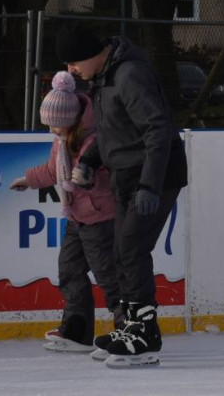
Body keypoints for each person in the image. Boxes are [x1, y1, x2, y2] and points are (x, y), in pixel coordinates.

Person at [55, 22, 188, 366]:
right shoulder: (103, 80)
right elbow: (112, 132)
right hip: (126, 176)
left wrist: (150, 185)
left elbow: (158, 129)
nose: (70, 71)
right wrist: (90, 159)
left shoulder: (128, 75)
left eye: (73, 63)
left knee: (131, 249)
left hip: (154, 176)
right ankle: (132, 325)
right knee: (121, 252)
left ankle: (144, 332)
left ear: (90, 53)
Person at [11, 71, 121, 353]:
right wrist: (28, 180)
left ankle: (128, 327)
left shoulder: (95, 140)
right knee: (69, 270)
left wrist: (90, 177)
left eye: (55, 127)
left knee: (109, 276)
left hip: (99, 219)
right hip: (76, 217)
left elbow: (110, 172)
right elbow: (52, 170)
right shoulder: (62, 141)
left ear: (70, 122)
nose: (52, 133)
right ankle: (77, 330)